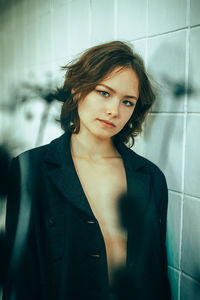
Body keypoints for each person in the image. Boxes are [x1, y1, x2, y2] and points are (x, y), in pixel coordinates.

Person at [3, 41, 171, 300]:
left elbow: (156, 273)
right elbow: (20, 277)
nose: (113, 111)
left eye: (127, 102)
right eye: (104, 92)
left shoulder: (150, 178)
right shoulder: (31, 170)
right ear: (78, 89)